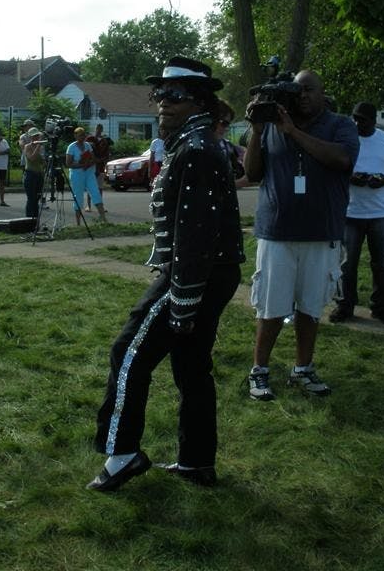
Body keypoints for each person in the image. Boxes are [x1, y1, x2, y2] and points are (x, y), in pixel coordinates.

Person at [87, 57, 244, 492]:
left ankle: (123, 454)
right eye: (159, 95)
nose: (161, 104)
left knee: (128, 352)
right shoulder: (195, 145)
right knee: (192, 367)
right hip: (209, 271)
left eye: (173, 96)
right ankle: (197, 462)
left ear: (198, 102)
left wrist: (183, 304)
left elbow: (195, 236)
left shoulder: (196, 150)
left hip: (196, 273)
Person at [244, 70, 359, 401]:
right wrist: (256, 130)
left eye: (309, 90)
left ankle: (303, 368)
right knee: (271, 307)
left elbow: (341, 159)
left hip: (321, 232)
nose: (303, 96)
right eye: (298, 91)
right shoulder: (270, 124)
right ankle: (260, 370)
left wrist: (292, 132)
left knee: (310, 306)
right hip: (276, 232)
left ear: (322, 93)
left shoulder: (340, 125)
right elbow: (252, 172)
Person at [329, 102, 384, 326]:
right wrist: (351, 177)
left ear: (373, 121)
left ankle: (381, 307)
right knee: (346, 264)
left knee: (382, 263)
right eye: (354, 117)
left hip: (380, 213)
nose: (356, 122)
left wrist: (383, 180)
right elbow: (334, 167)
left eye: (362, 119)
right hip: (350, 211)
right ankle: (345, 306)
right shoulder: (346, 140)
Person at [66, 127, 107, 225]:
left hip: (89, 173)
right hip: (77, 174)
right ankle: (78, 223)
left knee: (95, 193)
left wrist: (91, 161)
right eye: (80, 135)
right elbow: (68, 163)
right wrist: (81, 165)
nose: (82, 137)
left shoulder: (88, 145)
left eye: (83, 135)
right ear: (75, 135)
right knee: (78, 197)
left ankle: (103, 219)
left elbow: (93, 158)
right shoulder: (71, 147)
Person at [86, 123, 113, 211]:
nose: (99, 130)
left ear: (102, 130)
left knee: (100, 187)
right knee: (90, 186)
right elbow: (86, 151)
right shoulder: (90, 139)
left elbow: (107, 154)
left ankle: (100, 206)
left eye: (100, 129)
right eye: (98, 128)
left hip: (100, 166)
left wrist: (103, 161)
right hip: (91, 166)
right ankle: (88, 205)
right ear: (96, 129)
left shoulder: (104, 141)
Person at [22, 127, 45, 219]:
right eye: (35, 136)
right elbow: (32, 158)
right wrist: (38, 146)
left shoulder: (41, 147)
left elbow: (42, 162)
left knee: (37, 198)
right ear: (30, 137)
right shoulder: (27, 146)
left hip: (39, 174)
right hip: (30, 174)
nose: (36, 137)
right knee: (31, 198)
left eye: (37, 136)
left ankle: (35, 219)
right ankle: (29, 219)